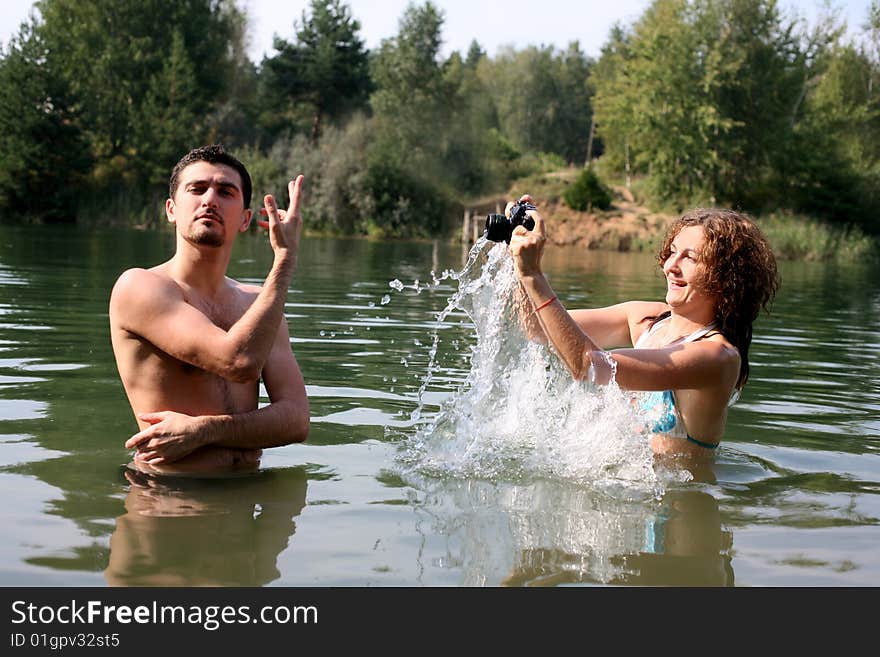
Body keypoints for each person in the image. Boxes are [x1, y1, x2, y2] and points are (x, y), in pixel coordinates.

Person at [508, 198, 779, 457]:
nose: (671, 266)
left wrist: (534, 275)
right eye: (672, 252)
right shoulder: (647, 320)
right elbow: (536, 327)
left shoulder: (717, 357)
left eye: (690, 258)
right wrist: (516, 254)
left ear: (726, 278)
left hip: (675, 503)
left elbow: (589, 366)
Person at [109, 145, 309, 473]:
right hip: (166, 500)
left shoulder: (259, 304)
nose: (210, 199)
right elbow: (237, 362)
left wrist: (204, 431)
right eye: (197, 189)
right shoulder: (140, 287)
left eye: (226, 191)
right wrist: (284, 261)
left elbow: (296, 420)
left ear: (246, 219)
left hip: (248, 497)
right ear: (171, 209)